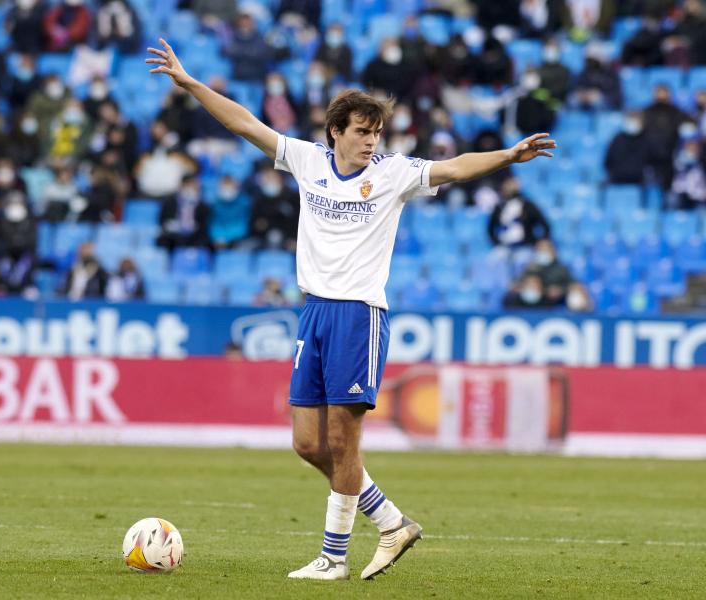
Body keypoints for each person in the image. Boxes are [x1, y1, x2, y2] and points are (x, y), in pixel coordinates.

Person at [146, 37, 555, 581]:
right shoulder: (307, 160)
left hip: (358, 315)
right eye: (362, 131)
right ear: (336, 131)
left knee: (342, 441)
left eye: (377, 131)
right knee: (307, 443)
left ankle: (333, 557)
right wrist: (191, 82)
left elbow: (454, 168)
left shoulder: (392, 174)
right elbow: (244, 123)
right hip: (313, 312)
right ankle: (391, 521)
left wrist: (508, 155)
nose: (371, 140)